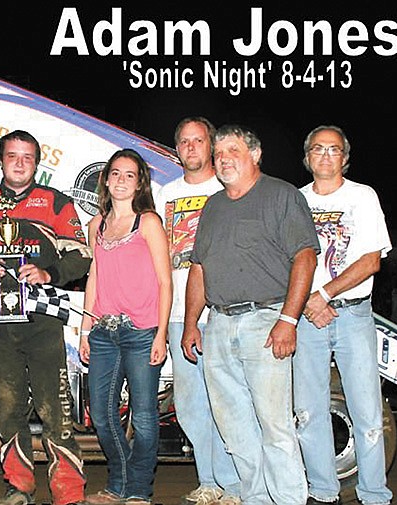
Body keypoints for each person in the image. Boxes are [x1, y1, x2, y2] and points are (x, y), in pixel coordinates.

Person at [182, 124, 319, 505]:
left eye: (233, 151)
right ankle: (256, 498)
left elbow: (305, 257)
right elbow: (199, 269)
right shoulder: (213, 206)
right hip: (219, 324)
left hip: (266, 321)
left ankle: (291, 499)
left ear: (255, 155)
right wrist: (192, 323)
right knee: (234, 426)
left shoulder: (280, 195)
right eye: (219, 153)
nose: (224, 158)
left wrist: (288, 320)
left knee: (275, 424)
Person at [0, 130, 91, 505]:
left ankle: (68, 492)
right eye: (12, 156)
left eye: (27, 157)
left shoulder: (56, 202)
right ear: (1, 159)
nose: (20, 163)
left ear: (37, 163)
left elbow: (82, 256)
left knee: (55, 409)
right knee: (8, 410)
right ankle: (18, 488)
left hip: (43, 324)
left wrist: (48, 273)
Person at [294, 125, 393, 505]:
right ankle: (322, 490)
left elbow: (371, 261)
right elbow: (288, 262)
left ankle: (374, 494)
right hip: (307, 319)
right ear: (307, 157)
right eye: (317, 149)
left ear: (345, 157)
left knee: (367, 413)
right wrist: (306, 304)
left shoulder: (362, 197)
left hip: (352, 315)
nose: (325, 156)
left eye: (333, 150)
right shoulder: (295, 200)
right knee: (308, 411)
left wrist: (323, 295)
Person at [154, 117, 241, 505]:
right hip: (177, 313)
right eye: (184, 141)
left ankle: (235, 484)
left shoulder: (229, 188)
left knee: (229, 399)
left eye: (199, 140)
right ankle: (209, 481)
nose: (191, 147)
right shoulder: (164, 193)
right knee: (190, 403)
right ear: (177, 150)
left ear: (211, 145)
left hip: (222, 309)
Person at [79, 148, 171, 505]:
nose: (120, 180)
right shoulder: (96, 225)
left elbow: (165, 281)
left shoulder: (148, 222)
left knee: (145, 417)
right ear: (106, 178)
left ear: (139, 183)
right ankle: (117, 483)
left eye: (129, 175)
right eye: (115, 173)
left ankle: (137, 490)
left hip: (142, 331)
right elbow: (95, 277)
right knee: (102, 414)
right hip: (103, 331)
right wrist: (86, 329)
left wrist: (161, 333)